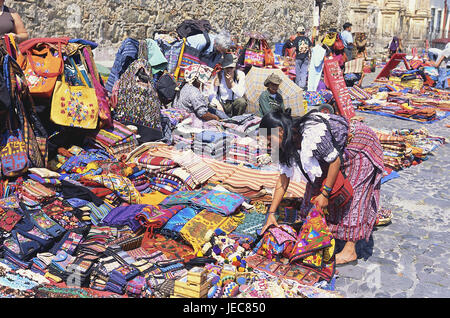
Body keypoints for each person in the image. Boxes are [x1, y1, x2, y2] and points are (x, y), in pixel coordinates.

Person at [259, 110, 384, 265]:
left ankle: (350, 250)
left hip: (358, 144)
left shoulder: (312, 133)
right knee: (313, 193)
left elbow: (334, 162)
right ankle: (320, 236)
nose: (269, 145)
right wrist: (272, 212)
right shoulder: (284, 144)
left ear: (280, 131)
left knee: (353, 193)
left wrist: (325, 193)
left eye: (270, 140)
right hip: (336, 152)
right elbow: (283, 179)